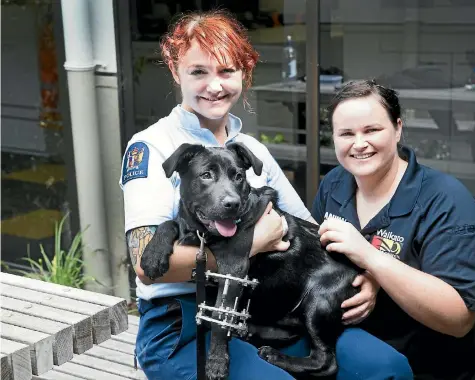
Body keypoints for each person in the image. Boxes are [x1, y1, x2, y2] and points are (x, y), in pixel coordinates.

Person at [120, 10, 411, 380]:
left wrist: (366, 274)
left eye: (227, 71)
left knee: (388, 369)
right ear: (176, 72)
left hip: (264, 313)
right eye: (199, 72)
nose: (215, 85)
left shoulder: (250, 149)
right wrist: (252, 244)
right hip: (182, 321)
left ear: (244, 73)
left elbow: (307, 228)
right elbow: (147, 263)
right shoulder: (152, 146)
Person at [313, 79, 475, 379]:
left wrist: (372, 260)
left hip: (434, 367)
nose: (359, 144)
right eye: (346, 133)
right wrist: (366, 277)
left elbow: (459, 318)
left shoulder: (446, 201)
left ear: (398, 128)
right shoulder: (334, 183)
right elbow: (318, 261)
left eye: (372, 130)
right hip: (362, 359)